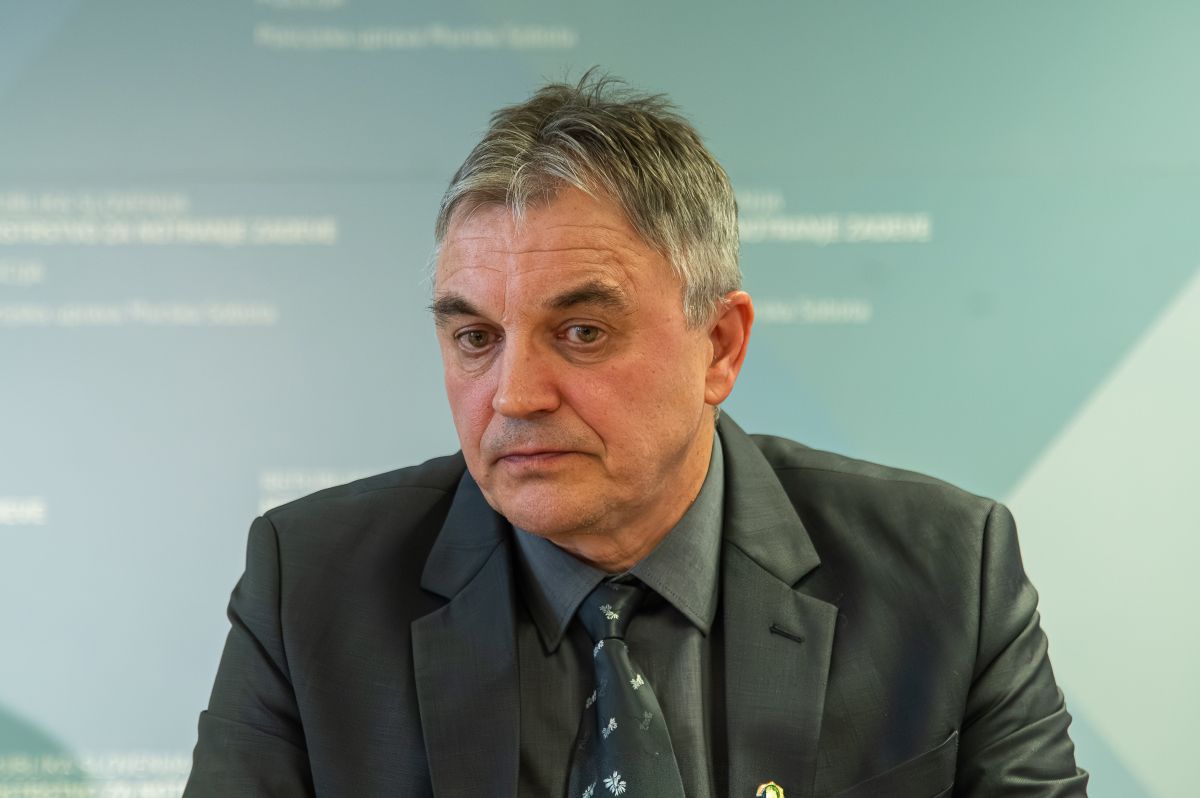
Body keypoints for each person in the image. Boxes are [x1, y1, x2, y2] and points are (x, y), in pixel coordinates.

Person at [184, 72, 1088, 797]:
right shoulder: (311, 587)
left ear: (719, 347)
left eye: (582, 332)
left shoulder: (946, 573)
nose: (514, 396)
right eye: (476, 339)